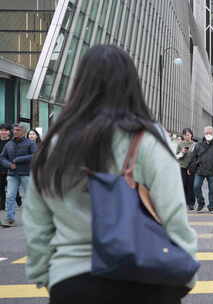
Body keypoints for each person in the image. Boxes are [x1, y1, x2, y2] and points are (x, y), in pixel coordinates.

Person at [22, 45, 197, 303]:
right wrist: (185, 271)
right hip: (144, 277)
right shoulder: (148, 140)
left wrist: (46, 275)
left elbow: (37, 221)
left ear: (79, 85)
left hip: (72, 280)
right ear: (131, 85)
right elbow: (173, 213)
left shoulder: (55, 144)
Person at [0, 124, 37, 227]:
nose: (15, 132)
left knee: (29, 197)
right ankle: (10, 219)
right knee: (10, 196)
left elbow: (35, 155)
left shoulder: (30, 143)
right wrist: (9, 164)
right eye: (14, 130)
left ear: (24, 132)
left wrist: (18, 160)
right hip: (12, 174)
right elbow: (2, 158)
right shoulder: (9, 144)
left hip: (26, 173)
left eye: (18, 130)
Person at [189, 126, 213, 214]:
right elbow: (193, 157)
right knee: (196, 186)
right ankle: (201, 202)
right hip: (200, 170)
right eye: (207, 133)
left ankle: (211, 206)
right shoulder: (198, 145)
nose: (208, 134)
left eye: (210, 133)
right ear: (204, 134)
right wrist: (192, 166)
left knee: (212, 189)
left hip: (212, 171)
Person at [176, 128, 196, 210]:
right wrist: (182, 152)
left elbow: (196, 156)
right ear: (183, 136)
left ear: (191, 135)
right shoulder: (180, 144)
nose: (187, 136)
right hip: (182, 167)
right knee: (183, 185)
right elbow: (176, 156)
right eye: (185, 135)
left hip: (192, 167)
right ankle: (184, 202)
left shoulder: (195, 144)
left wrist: (193, 166)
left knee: (191, 185)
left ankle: (191, 203)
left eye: (188, 134)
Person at [0, 124, 11, 216]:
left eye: (6, 130)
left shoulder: (12, 142)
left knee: (11, 189)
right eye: (2, 130)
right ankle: (2, 205)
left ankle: (17, 197)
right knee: (1, 188)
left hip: (10, 169)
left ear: (9, 132)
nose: (3, 132)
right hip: (0, 169)